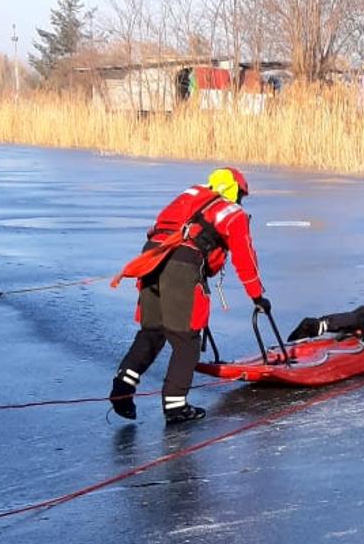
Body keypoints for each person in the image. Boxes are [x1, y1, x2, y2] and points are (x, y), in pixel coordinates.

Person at [109, 167, 270, 424]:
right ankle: (176, 407)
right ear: (235, 191)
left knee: (152, 331)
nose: (241, 201)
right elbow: (244, 256)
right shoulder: (232, 213)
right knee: (186, 341)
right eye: (241, 195)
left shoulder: (190, 195)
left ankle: (122, 388)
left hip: (151, 257)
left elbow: (159, 227)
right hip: (182, 265)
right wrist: (257, 296)